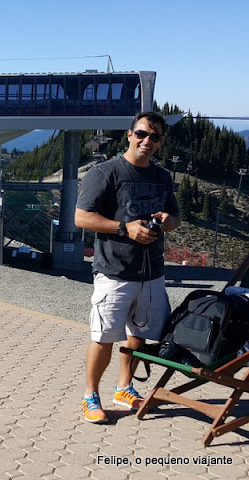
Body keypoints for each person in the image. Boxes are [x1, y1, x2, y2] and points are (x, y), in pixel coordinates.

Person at [74, 111, 181, 424]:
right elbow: (81, 217)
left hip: (152, 273)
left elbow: (175, 217)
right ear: (129, 135)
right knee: (104, 336)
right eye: (142, 134)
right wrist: (125, 228)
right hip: (114, 272)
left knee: (138, 335)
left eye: (155, 137)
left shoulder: (162, 177)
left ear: (161, 142)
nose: (147, 141)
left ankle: (124, 387)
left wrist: (166, 222)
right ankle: (90, 395)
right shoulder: (106, 172)